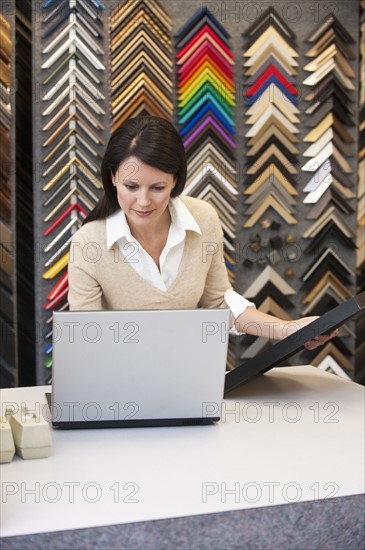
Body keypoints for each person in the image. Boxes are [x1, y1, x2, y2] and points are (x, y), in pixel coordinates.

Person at [68, 115, 337, 349]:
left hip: (186, 377)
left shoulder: (202, 219)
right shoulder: (88, 243)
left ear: (175, 180)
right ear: (113, 176)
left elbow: (220, 302)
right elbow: (87, 338)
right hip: (115, 385)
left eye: (157, 188)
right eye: (131, 186)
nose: (143, 201)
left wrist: (288, 329)